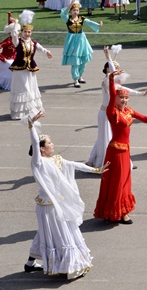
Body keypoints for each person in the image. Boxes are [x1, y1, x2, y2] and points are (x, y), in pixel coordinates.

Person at [26, 112, 105, 278]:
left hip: (58, 203)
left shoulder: (56, 160)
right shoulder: (38, 162)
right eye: (49, 143)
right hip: (48, 207)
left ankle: (30, 263)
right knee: (62, 234)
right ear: (41, 149)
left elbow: (75, 165)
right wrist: (31, 126)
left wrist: (96, 170)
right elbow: (34, 142)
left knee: (45, 233)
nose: (52, 144)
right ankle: (68, 265)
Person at [94, 71, 147, 223]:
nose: (124, 100)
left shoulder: (128, 111)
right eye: (121, 97)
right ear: (115, 99)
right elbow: (111, 94)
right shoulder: (112, 112)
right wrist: (111, 78)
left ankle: (123, 211)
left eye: (126, 98)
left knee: (125, 181)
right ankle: (115, 212)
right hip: (116, 152)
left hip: (125, 150)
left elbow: (144, 118)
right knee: (117, 182)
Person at [87, 46, 147, 169]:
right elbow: (112, 73)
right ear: (108, 69)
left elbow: (125, 90)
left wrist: (140, 93)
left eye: (117, 67)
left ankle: (92, 160)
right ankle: (105, 161)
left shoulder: (114, 83)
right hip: (106, 114)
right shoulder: (107, 81)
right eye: (114, 67)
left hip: (111, 113)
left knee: (105, 137)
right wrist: (108, 56)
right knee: (105, 137)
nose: (116, 70)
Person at [7, 11, 53, 121]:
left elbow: (41, 49)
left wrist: (47, 52)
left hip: (30, 69)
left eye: (29, 32)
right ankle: (20, 113)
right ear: (22, 32)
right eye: (25, 32)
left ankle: (32, 111)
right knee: (23, 89)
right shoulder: (18, 42)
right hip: (19, 69)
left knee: (31, 88)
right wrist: (16, 24)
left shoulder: (33, 42)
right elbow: (14, 35)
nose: (27, 34)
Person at [61, 0, 102, 88]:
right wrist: (70, 4)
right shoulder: (68, 19)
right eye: (74, 10)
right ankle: (75, 79)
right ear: (71, 11)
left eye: (77, 10)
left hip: (81, 40)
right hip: (72, 40)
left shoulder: (82, 19)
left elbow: (89, 22)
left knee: (83, 60)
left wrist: (98, 25)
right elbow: (63, 14)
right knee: (75, 61)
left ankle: (80, 76)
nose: (75, 12)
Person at [0, 13, 15, 91]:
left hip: (14, 59)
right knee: (11, 67)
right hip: (6, 60)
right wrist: (2, 58)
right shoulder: (7, 41)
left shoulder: (19, 40)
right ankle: (6, 84)